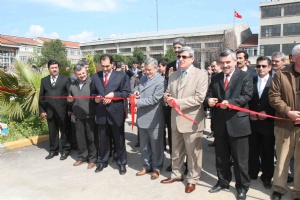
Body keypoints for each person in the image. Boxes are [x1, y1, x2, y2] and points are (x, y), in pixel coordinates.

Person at [205, 49, 253, 200]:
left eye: (228, 62)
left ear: (235, 62)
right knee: (221, 157)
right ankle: (223, 181)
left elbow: (247, 95)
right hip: (220, 124)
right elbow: (210, 94)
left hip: (238, 123)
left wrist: (230, 103)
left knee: (240, 160)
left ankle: (242, 187)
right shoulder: (216, 77)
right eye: (222, 62)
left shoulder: (245, 76)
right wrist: (209, 101)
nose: (225, 65)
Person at [161, 46, 208, 194]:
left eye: (184, 57)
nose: (180, 59)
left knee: (193, 153)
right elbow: (168, 92)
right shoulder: (173, 75)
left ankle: (193, 179)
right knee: (176, 151)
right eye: (179, 56)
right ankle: (176, 174)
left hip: (191, 120)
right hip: (175, 119)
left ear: (192, 59)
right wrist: (167, 98)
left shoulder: (201, 74)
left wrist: (177, 102)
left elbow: (199, 98)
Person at [268, 44, 300, 200]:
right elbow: (274, 97)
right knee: (282, 157)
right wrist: (288, 111)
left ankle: (298, 191)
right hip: (284, 124)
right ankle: (279, 188)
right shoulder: (281, 75)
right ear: (293, 58)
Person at [90, 54, 130, 175]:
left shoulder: (122, 75)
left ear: (112, 64)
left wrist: (114, 95)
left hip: (116, 113)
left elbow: (126, 93)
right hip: (101, 112)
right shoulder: (95, 76)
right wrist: (95, 99)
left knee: (119, 140)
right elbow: (92, 93)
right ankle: (102, 161)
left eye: (107, 66)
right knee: (103, 139)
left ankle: (122, 163)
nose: (105, 69)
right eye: (103, 66)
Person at [134, 57, 165, 180]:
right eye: (145, 69)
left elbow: (155, 99)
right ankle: (146, 166)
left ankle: (157, 168)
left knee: (156, 145)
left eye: (149, 70)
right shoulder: (143, 77)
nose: (147, 72)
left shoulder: (161, 81)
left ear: (157, 68)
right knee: (144, 145)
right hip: (142, 117)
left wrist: (137, 102)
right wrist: (135, 92)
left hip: (154, 118)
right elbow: (137, 87)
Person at [248, 56, 275, 189]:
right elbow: (245, 99)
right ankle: (252, 172)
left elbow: (278, 102)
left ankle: (267, 176)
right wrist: (248, 112)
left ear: (270, 67)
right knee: (252, 150)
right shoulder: (250, 80)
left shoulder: (275, 82)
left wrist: (268, 113)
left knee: (267, 152)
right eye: (258, 66)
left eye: (264, 66)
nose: (261, 68)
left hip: (268, 124)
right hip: (252, 123)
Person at [39, 60, 71, 160]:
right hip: (49, 111)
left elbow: (70, 96)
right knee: (52, 132)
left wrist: (70, 109)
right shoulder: (44, 80)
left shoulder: (66, 79)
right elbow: (41, 97)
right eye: (52, 68)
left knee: (65, 131)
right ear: (49, 69)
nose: (54, 69)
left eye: (56, 67)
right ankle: (54, 150)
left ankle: (66, 150)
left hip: (63, 111)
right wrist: (42, 110)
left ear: (58, 68)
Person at [67, 64, 97, 169]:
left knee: (91, 138)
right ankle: (81, 157)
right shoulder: (72, 85)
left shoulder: (92, 83)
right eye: (79, 74)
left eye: (83, 73)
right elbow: (70, 100)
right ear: (75, 74)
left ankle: (92, 159)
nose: (82, 75)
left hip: (90, 115)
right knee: (80, 138)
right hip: (78, 116)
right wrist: (70, 101)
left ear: (86, 72)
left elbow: (96, 99)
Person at [164, 37, 186, 172]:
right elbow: (167, 85)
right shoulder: (170, 65)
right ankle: (174, 162)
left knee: (187, 138)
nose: (177, 51)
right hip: (171, 107)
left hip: (185, 107)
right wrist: (169, 77)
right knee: (173, 137)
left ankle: (189, 164)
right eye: (175, 48)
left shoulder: (191, 65)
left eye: (179, 48)